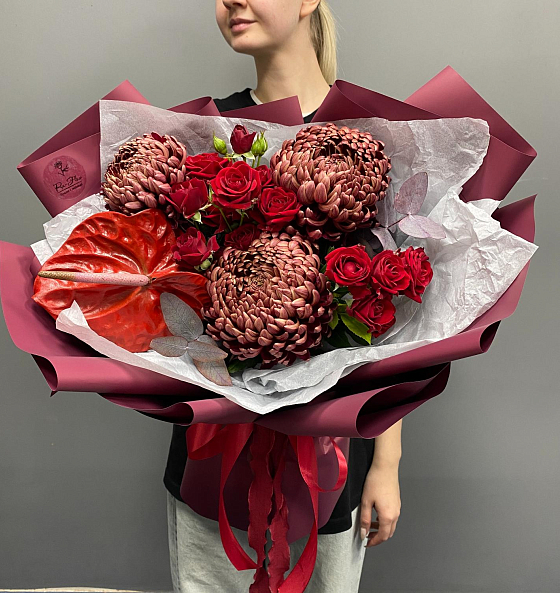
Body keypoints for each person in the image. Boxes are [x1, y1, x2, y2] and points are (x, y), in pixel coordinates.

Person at [164, 1, 403, 590]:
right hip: (215, 452)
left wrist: (388, 462)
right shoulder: (206, 135)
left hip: (332, 456)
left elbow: (393, 326)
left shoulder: (367, 140)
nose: (231, 1)